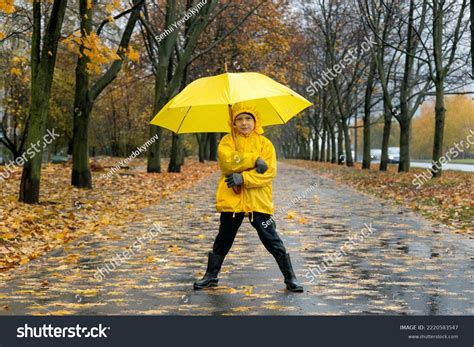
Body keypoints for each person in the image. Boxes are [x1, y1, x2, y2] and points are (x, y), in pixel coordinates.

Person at [193, 104, 303, 292]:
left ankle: (290, 277)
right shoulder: (227, 141)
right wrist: (253, 160)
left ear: (255, 121)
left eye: (248, 119)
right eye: (239, 119)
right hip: (232, 200)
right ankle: (211, 276)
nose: (244, 123)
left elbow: (269, 173)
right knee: (223, 238)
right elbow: (226, 162)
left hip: (258, 200)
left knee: (271, 237)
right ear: (233, 122)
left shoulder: (265, 144)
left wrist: (244, 177)